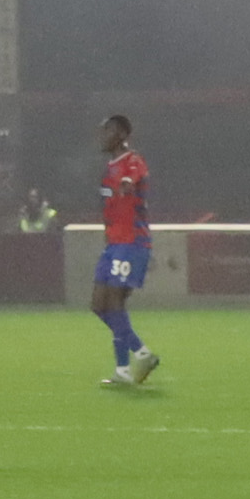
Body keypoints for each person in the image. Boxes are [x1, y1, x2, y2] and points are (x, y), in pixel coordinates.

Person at [92, 115, 158, 387]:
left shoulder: (132, 161)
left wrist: (128, 184)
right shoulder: (108, 168)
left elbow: (133, 177)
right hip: (114, 245)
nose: (102, 136)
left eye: (107, 130)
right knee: (99, 306)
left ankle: (128, 366)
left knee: (115, 301)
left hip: (132, 242)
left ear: (120, 133)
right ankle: (137, 358)